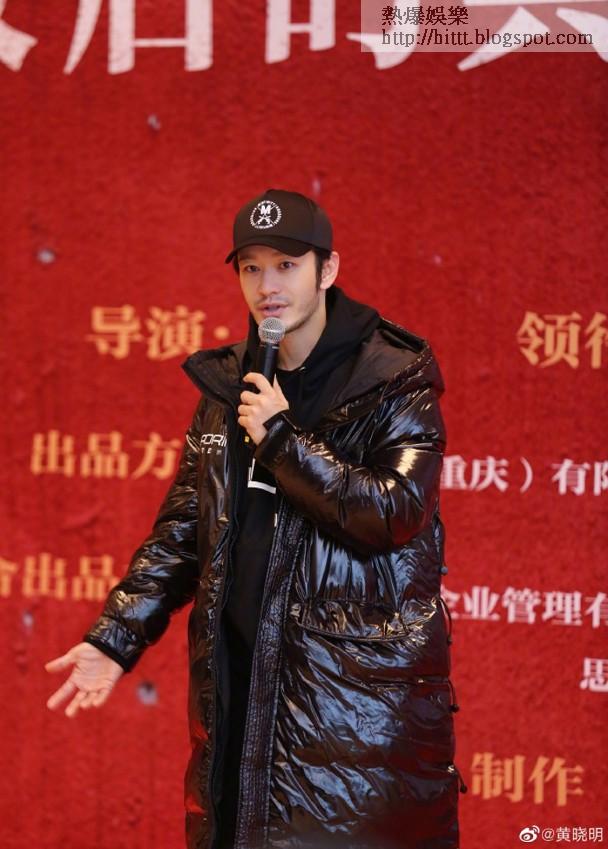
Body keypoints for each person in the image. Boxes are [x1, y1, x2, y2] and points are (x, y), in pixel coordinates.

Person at [45, 188, 466, 849]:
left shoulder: (391, 380)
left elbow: (393, 511)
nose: (268, 286)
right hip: (239, 695)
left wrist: (281, 440)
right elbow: (183, 530)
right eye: (252, 268)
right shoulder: (231, 387)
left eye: (286, 265)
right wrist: (115, 639)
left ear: (327, 270)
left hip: (350, 717)